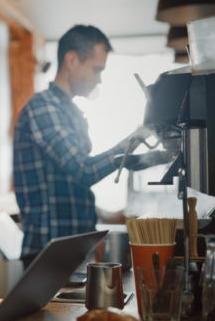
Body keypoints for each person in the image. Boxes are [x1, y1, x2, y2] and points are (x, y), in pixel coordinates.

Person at [12, 25, 145, 268]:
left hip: (74, 248)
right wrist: (136, 138)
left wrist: (104, 213)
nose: (99, 79)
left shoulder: (69, 112)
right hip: (48, 252)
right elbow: (84, 171)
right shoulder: (43, 108)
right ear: (71, 60)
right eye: (96, 69)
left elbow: (66, 187)